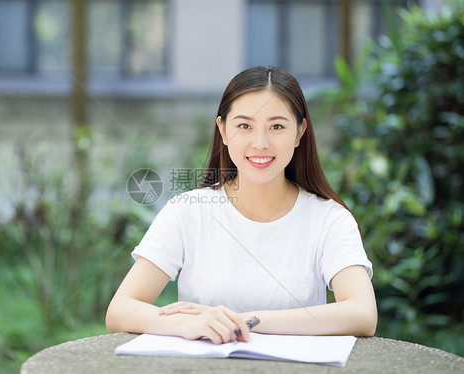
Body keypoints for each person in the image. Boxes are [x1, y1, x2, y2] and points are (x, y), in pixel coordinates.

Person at [106, 66, 377, 344]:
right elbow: (120, 310)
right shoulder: (188, 211)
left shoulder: (329, 219)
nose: (260, 143)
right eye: (244, 126)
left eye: (277, 126)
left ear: (300, 132)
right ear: (223, 130)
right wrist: (187, 324)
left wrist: (245, 321)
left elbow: (363, 313)